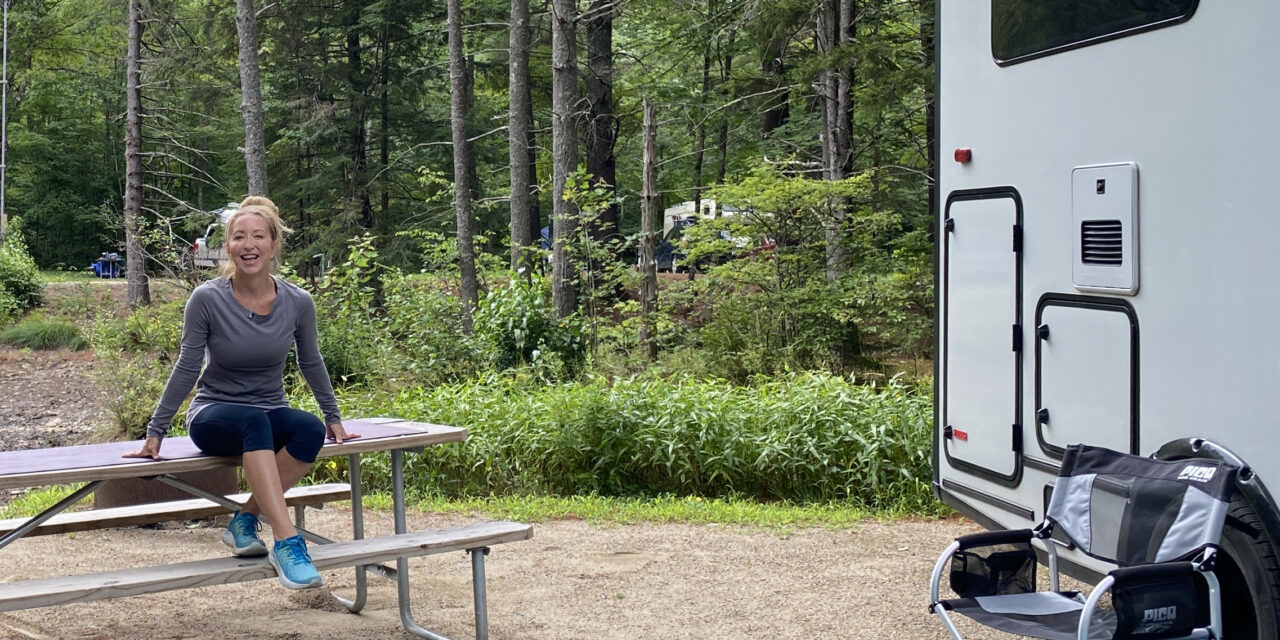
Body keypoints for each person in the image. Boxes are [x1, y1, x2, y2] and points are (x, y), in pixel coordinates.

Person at [125, 195, 358, 590]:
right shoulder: (207, 299)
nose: (248, 245)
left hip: (268, 412)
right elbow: (186, 365)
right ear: (228, 246)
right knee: (253, 421)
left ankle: (245, 519)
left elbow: (311, 361)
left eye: (258, 236)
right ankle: (287, 541)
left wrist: (332, 416)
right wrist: (156, 430)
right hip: (214, 414)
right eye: (238, 237)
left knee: (307, 428)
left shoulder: (298, 301)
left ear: (272, 244)